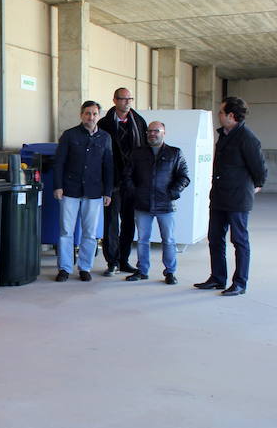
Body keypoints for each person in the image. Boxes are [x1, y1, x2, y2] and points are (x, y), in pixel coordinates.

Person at [194, 97, 267, 296]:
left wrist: (257, 186)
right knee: (215, 238)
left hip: (237, 200)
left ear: (231, 116)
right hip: (219, 197)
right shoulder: (224, 135)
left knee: (239, 241)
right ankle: (217, 278)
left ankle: (240, 283)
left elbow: (259, 169)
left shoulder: (247, 138)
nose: (218, 115)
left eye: (221, 112)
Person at [121, 121, 190, 284]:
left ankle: (170, 272)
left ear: (164, 133)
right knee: (143, 240)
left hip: (166, 205)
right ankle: (142, 270)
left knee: (169, 240)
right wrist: (135, 192)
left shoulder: (175, 153)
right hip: (142, 204)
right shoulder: (137, 153)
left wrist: (173, 192)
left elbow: (184, 177)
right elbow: (127, 175)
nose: (152, 134)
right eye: (149, 131)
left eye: (156, 131)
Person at [53, 100, 113, 282]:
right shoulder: (69, 135)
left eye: (94, 114)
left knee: (90, 233)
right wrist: (58, 186)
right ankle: (64, 268)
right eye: (87, 113)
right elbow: (59, 163)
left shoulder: (105, 138)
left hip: (94, 192)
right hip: (70, 190)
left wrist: (108, 192)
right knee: (66, 232)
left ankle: (85, 268)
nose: (91, 117)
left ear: (99, 116)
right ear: (81, 115)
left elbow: (108, 166)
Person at [97, 87, 148, 276]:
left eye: (130, 99)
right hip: (113, 181)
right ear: (115, 100)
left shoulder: (139, 122)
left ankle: (124, 260)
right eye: (123, 99)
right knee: (110, 222)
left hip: (133, 181)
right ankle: (112, 261)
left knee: (128, 222)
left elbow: (145, 150)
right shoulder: (104, 124)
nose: (127, 102)